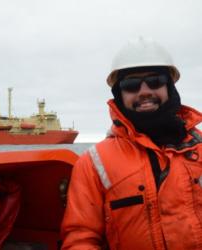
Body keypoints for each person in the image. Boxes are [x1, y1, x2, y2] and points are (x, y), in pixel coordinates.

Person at [60, 37, 202, 250]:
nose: (144, 91)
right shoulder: (92, 164)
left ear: (169, 87)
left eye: (155, 81)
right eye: (131, 85)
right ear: (119, 94)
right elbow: (81, 239)